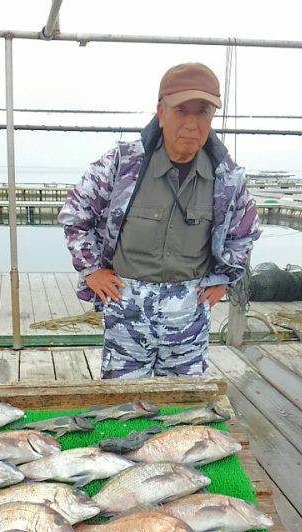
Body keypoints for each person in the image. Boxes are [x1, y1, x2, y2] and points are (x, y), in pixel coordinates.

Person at [59, 62, 261, 378]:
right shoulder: (122, 163)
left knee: (183, 406)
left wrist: (224, 279)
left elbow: (244, 232)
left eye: (203, 112)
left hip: (188, 310)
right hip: (127, 306)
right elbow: (76, 212)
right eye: (182, 110)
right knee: (123, 405)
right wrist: (92, 270)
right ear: (160, 112)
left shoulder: (227, 178)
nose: (192, 124)